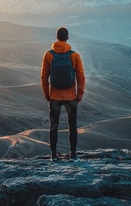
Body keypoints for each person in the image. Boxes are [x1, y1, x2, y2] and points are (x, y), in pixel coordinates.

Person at [41, 26, 86, 162]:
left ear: (56, 38)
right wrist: (79, 95)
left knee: (53, 125)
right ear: (67, 38)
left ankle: (53, 155)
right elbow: (81, 77)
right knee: (72, 125)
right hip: (71, 96)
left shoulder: (48, 55)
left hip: (54, 96)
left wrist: (47, 94)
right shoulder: (74, 55)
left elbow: (44, 76)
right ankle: (73, 155)